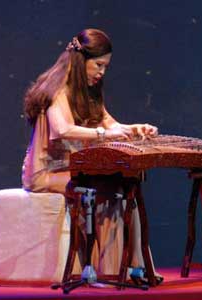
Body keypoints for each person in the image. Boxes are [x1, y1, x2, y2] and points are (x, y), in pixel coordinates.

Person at [21, 28, 159, 279]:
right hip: (46, 172)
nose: (102, 72)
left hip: (72, 169)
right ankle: (110, 270)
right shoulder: (58, 88)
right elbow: (61, 130)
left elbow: (110, 124)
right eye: (98, 65)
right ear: (80, 59)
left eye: (105, 66)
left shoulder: (89, 90)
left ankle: (135, 266)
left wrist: (136, 129)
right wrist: (106, 136)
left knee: (127, 186)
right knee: (107, 191)